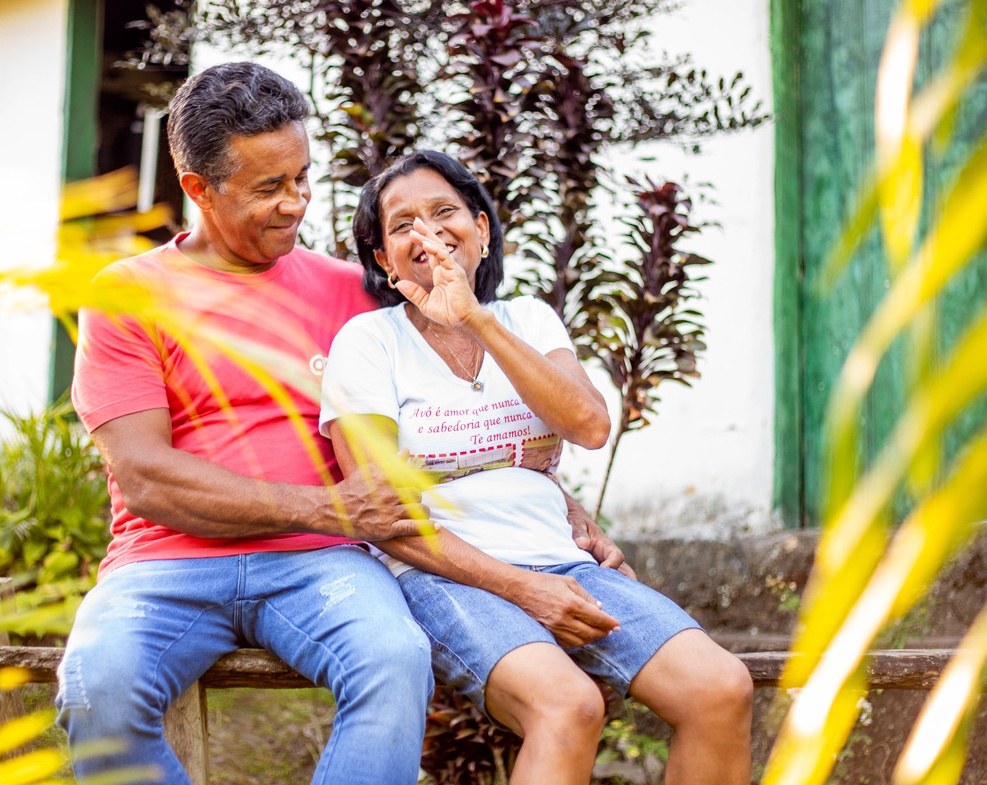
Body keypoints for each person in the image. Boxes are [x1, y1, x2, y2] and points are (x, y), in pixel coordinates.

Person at [56, 63, 627, 785]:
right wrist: (327, 506)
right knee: (94, 691)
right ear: (197, 188)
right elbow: (143, 475)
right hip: (167, 563)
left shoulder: (353, 293)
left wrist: (558, 501)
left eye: (302, 176)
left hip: (321, 562)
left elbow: (454, 409)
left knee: (394, 661)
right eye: (269, 186)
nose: (295, 202)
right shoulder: (127, 294)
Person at [320, 150, 754, 785]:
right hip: (442, 573)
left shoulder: (526, 320)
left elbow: (589, 425)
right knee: (568, 706)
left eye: (445, 212)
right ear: (384, 260)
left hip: (566, 564)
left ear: (482, 228)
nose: (428, 232)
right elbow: (384, 515)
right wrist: (521, 587)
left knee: (720, 689)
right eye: (402, 223)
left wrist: (474, 318)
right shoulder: (369, 342)